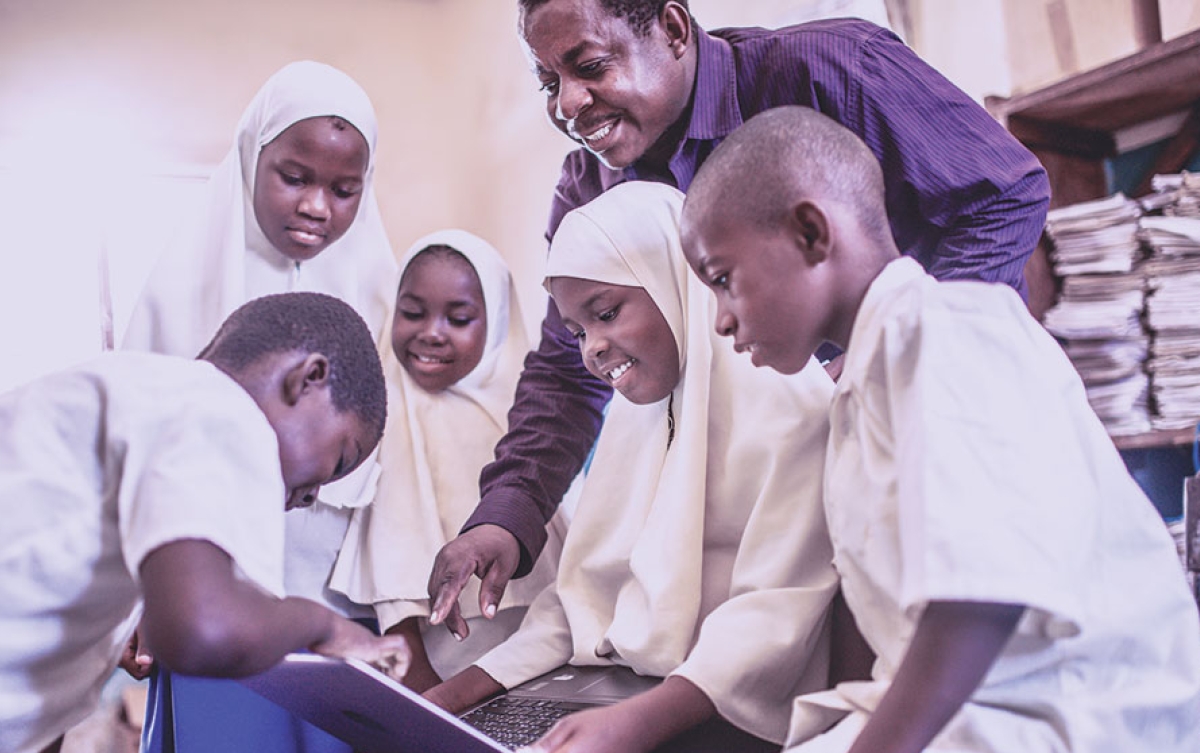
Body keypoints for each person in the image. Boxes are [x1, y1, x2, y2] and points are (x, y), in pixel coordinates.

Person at [620, 106, 1200, 753]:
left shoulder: (949, 328)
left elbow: (978, 598)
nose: (720, 318)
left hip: (1064, 733)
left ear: (812, 235)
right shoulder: (863, 380)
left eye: (723, 279)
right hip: (961, 725)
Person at [426, 0, 1051, 635]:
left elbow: (1003, 197)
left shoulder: (831, 70)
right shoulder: (591, 184)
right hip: (776, 521)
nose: (566, 103)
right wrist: (507, 512)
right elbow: (567, 367)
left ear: (672, 29)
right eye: (548, 81)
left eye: (588, 66)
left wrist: (879, 364)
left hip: (931, 449)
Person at [304, 181, 840, 753]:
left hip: (728, 723)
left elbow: (771, 625)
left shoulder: (791, 407)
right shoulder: (637, 414)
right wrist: (445, 706)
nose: (591, 350)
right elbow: (579, 601)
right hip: (614, 695)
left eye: (606, 313)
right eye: (577, 328)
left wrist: (629, 731)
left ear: (675, 281)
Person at [0, 292, 409, 753]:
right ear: (308, 379)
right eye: (331, 465)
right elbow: (198, 632)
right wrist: (319, 626)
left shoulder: (141, 398)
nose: (299, 499)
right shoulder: (220, 410)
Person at [124, 61, 400, 753]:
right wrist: (142, 598)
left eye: (345, 188)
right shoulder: (175, 291)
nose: (318, 206)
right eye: (295, 177)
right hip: (212, 605)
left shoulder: (391, 296)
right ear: (251, 160)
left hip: (336, 607)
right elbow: (140, 466)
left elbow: (404, 480)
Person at [330, 230, 570, 692]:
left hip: (546, 666)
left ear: (497, 320)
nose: (431, 333)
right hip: (438, 677)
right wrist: (426, 702)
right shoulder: (390, 419)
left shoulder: (535, 421)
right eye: (413, 313)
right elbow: (392, 585)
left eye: (458, 318)